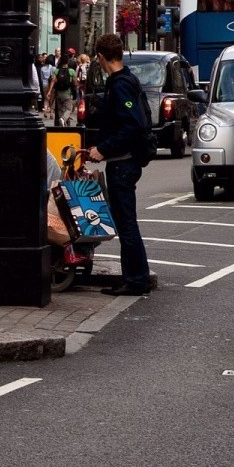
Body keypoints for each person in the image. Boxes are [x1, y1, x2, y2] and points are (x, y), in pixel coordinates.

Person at [87, 34, 156, 296]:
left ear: (101, 57)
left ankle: (136, 279)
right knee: (125, 221)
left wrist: (102, 149)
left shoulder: (120, 85)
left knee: (126, 223)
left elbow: (132, 124)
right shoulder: (126, 79)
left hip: (122, 164)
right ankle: (138, 276)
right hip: (125, 162)